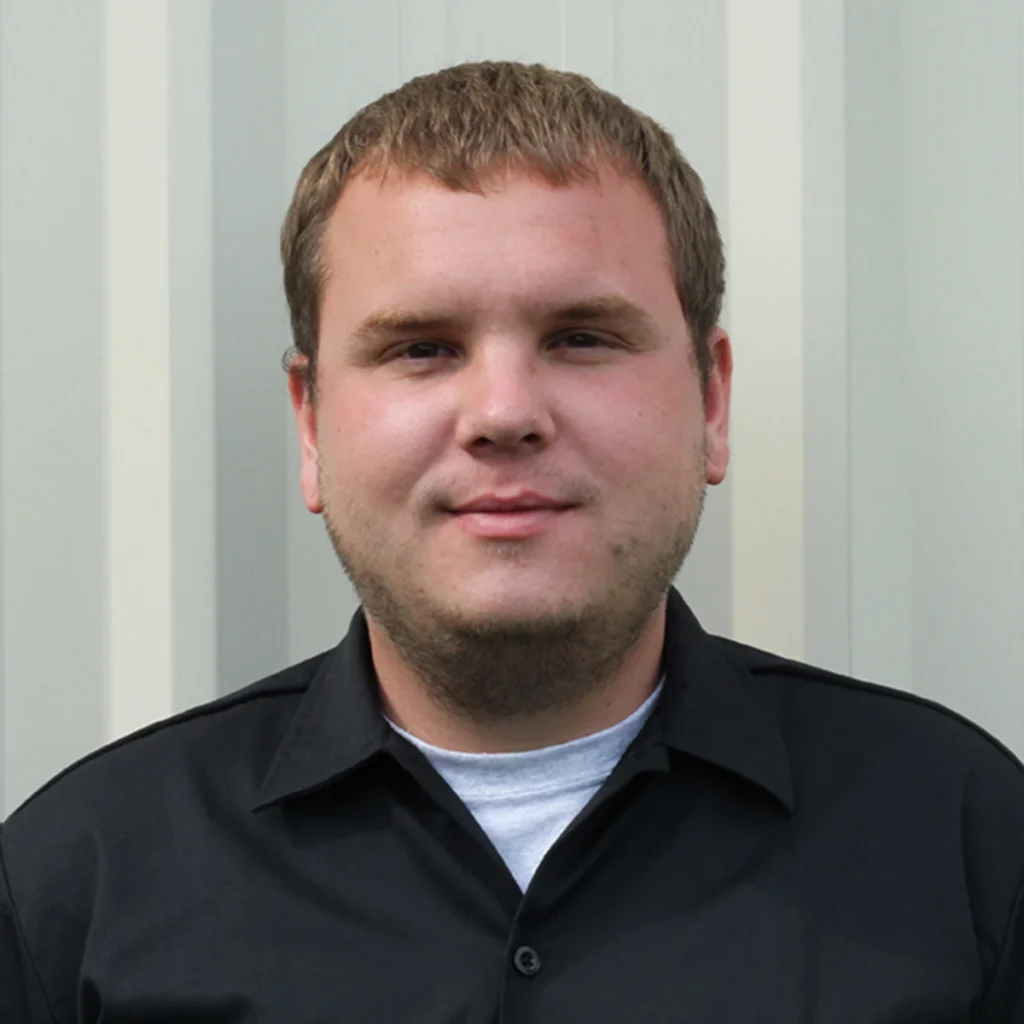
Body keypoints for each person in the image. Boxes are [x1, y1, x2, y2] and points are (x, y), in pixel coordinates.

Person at [2, 60, 1022, 1023]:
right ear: (310, 424)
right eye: (421, 347)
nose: (503, 413)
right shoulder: (78, 885)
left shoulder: (963, 841)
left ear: (711, 402)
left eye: (581, 337)